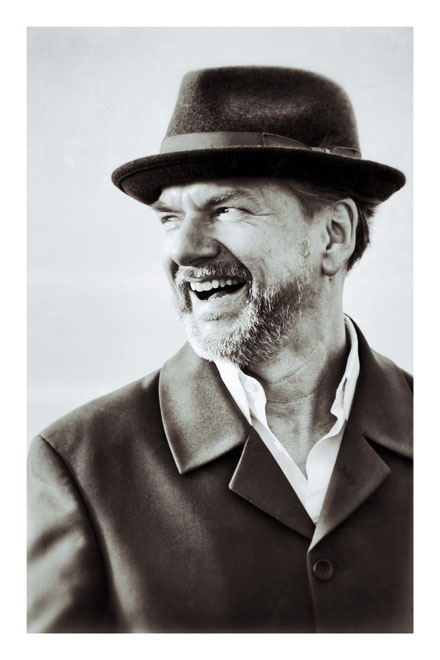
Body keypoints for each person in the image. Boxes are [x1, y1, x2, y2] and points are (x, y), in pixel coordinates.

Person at [27, 66, 412, 633]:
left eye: (227, 209)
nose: (185, 249)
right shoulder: (78, 465)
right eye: (169, 218)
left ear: (334, 234)